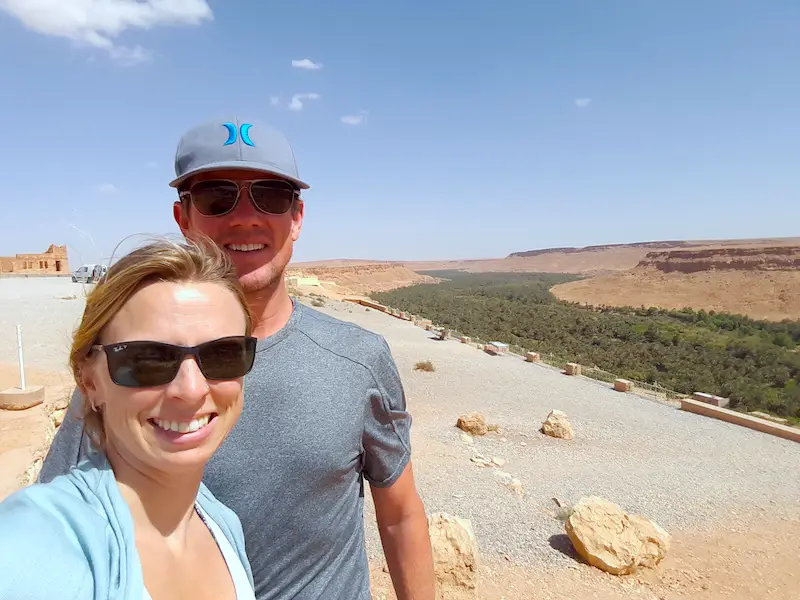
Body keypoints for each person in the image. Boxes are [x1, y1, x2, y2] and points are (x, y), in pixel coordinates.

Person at [40, 118, 436, 600]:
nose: (245, 217)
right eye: (216, 197)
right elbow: (53, 533)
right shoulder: (127, 370)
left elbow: (399, 515)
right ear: (183, 218)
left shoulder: (358, 358)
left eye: (270, 195)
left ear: (297, 218)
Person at [0, 238, 258, 599]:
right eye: (147, 359)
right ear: (90, 381)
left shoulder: (220, 524)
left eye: (223, 354)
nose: (192, 389)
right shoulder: (38, 537)